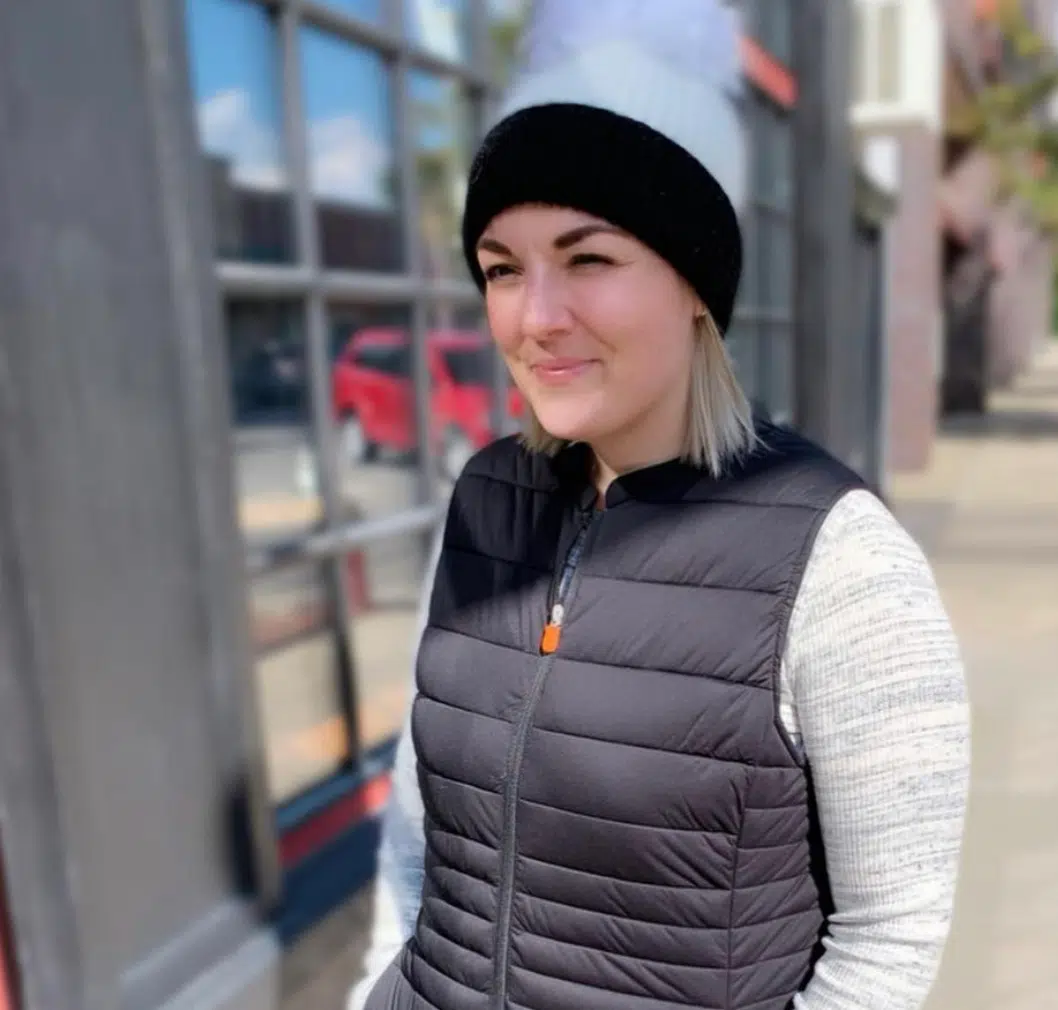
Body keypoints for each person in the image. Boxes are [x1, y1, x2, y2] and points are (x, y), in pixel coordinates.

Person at [350, 2, 970, 1007]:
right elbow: (420, 833)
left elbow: (887, 942)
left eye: (588, 258)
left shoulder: (838, 556)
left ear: (693, 283)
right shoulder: (485, 500)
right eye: (502, 269)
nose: (535, 317)